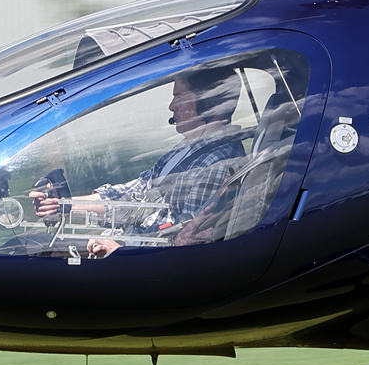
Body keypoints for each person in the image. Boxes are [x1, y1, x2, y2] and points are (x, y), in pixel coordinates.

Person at [29, 68, 248, 256]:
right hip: (127, 246)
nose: (172, 106)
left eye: (180, 97)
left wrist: (123, 251)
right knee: (30, 242)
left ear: (208, 102)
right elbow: (140, 192)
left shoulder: (217, 163)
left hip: (138, 260)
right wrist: (65, 205)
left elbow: (182, 244)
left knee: (32, 253)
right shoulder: (186, 148)